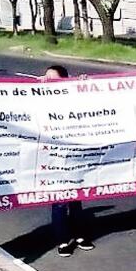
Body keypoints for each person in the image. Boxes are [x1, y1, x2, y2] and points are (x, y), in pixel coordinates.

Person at [41, 66, 95, 257]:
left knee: (75, 199)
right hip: (52, 158)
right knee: (59, 202)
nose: (48, 81)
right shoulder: (38, 98)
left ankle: (80, 235)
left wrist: (82, 87)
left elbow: (91, 109)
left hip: (74, 157)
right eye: (46, 78)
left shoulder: (71, 97)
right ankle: (63, 240)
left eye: (53, 79)